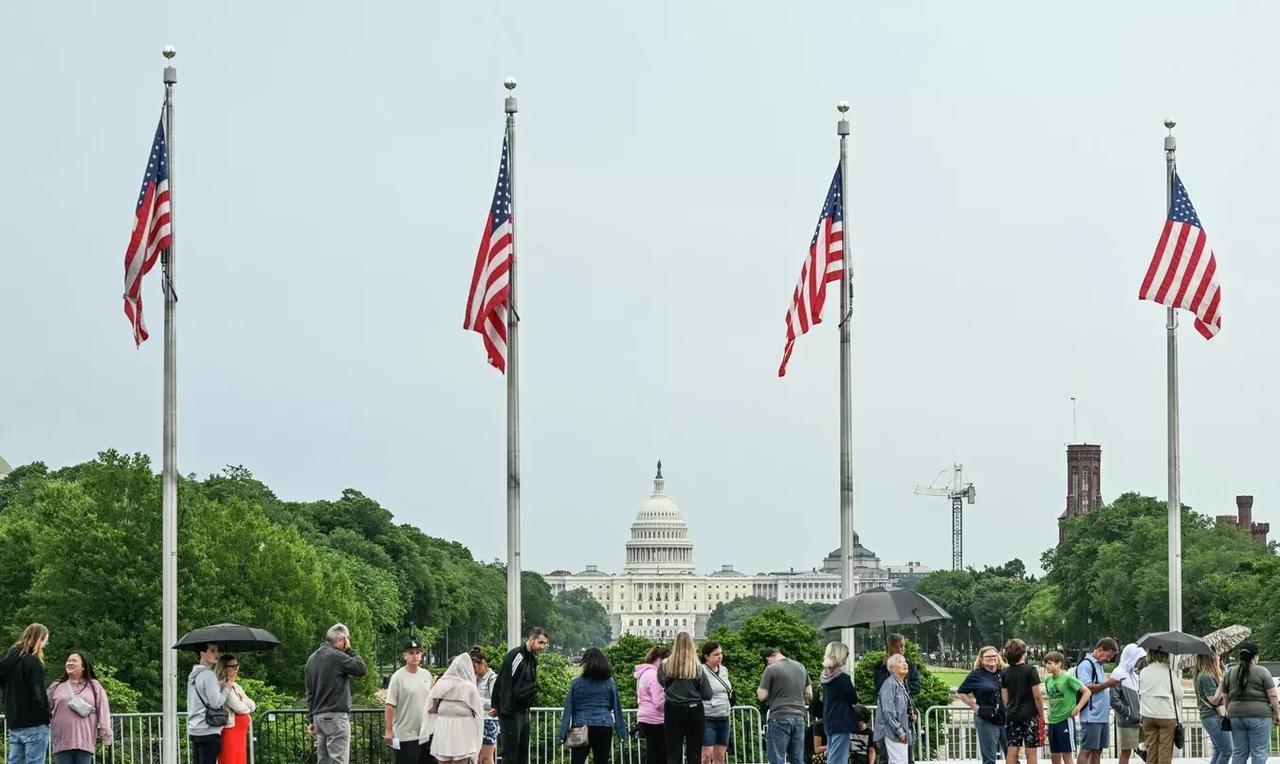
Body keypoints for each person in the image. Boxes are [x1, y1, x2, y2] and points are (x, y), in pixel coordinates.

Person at [304, 623, 369, 764]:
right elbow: (361, 669)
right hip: (336, 716)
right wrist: (350, 650)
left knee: (323, 760)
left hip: (318, 717)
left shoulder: (311, 660)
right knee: (338, 759)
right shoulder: (337, 656)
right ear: (341, 640)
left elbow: (310, 694)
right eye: (347, 640)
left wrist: (311, 720)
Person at [559, 647, 627, 764]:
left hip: (581, 726)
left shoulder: (577, 683)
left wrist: (562, 734)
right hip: (604, 725)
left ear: (585, 663)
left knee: (577, 760)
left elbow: (568, 708)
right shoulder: (609, 682)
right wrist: (621, 733)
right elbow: (616, 707)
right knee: (601, 760)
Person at [1215, 642, 1280, 764]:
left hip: (1236, 716)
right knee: (1259, 751)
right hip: (1260, 715)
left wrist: (1230, 710)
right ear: (1255, 656)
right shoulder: (1262, 671)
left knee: (1239, 752)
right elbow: (1272, 695)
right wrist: (1277, 713)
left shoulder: (1230, 672)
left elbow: (1224, 696)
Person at [493, 627, 548, 764]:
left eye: (545, 644)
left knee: (522, 753)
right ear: (531, 639)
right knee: (511, 755)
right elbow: (504, 680)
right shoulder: (517, 655)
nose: (543, 647)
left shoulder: (532, 659)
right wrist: (500, 706)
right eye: (540, 643)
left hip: (523, 711)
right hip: (511, 712)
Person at [47, 649, 113, 764]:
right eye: (68, 661)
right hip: (61, 743)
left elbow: (103, 711)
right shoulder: (56, 686)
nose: (70, 663)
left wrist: (106, 735)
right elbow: (44, 709)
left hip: (85, 742)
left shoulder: (94, 686)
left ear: (83, 667)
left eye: (74, 661)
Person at [0, 624, 52, 764]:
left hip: (14, 720)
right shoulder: (33, 662)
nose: (45, 644)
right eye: (45, 640)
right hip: (34, 721)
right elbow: (38, 692)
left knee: (15, 760)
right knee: (34, 761)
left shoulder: (10, 661)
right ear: (39, 639)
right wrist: (47, 715)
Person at [421, 653, 484, 764]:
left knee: (453, 760)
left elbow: (430, 705)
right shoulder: (467, 686)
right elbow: (479, 712)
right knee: (453, 760)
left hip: (456, 728)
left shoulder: (444, 684)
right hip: (449, 728)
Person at [660, 632, 713, 764]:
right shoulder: (697, 667)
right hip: (694, 710)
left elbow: (662, 682)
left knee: (673, 752)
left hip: (672, 710)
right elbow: (707, 694)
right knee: (694, 752)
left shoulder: (665, 665)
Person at [757, 648, 812, 764]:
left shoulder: (771, 669)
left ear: (768, 659)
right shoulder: (801, 667)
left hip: (779, 717)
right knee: (797, 758)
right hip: (799, 717)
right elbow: (809, 694)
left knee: (777, 757)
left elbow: (761, 696)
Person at [385, 638, 434, 764]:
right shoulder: (397, 677)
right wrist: (389, 730)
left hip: (425, 733)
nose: (415, 656)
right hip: (405, 734)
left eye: (417, 652)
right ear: (405, 655)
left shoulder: (427, 675)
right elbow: (390, 705)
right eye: (411, 653)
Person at [957, 646, 1006, 764]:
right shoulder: (976, 675)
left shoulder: (1004, 673)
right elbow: (961, 692)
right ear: (982, 659)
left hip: (1006, 718)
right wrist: (975, 707)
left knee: (1012, 755)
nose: (991, 658)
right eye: (988, 656)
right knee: (989, 758)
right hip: (986, 718)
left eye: (994, 656)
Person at [1073, 638, 1118, 764]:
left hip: (1101, 716)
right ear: (1099, 650)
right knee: (1086, 749)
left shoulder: (1099, 666)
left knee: (1098, 750)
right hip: (1091, 716)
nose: (1108, 660)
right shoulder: (1086, 664)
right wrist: (1108, 684)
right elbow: (1086, 688)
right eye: (1108, 656)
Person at [1000, 639, 1045, 764]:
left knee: (1012, 750)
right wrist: (1041, 713)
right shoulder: (1030, 670)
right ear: (1023, 653)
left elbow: (1005, 696)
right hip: (1030, 715)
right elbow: (1037, 695)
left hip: (1012, 715)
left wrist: (1011, 707)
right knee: (1031, 752)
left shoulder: (1005, 672)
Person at [1043, 651, 1089, 764]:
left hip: (1065, 719)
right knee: (1054, 755)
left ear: (1059, 664)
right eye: (1045, 664)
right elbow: (1050, 698)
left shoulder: (1068, 678)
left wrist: (1077, 708)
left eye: (1049, 663)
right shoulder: (1048, 680)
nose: (1047, 666)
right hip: (1053, 721)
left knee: (1067, 754)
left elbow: (1087, 691)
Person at [187, 642, 230, 764]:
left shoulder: (194, 675)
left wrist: (219, 686)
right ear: (202, 654)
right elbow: (216, 703)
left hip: (195, 728)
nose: (217, 654)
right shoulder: (209, 675)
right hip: (208, 730)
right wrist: (226, 689)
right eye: (212, 651)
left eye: (217, 650)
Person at [1137, 649, 1182, 764]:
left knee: (1151, 749)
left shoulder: (1143, 672)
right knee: (1164, 750)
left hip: (1147, 715)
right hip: (1166, 715)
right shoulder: (1170, 673)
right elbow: (1179, 695)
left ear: (1150, 655)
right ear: (1165, 656)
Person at [820, 643, 858, 764]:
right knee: (839, 758)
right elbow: (853, 698)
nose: (847, 657)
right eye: (846, 655)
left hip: (829, 720)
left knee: (833, 754)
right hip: (842, 721)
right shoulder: (842, 678)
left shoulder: (824, 676)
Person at [635, 646, 672, 764]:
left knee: (653, 753)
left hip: (644, 716)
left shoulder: (644, 673)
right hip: (656, 719)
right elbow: (658, 701)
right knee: (660, 755)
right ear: (661, 660)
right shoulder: (655, 675)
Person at [1109, 644, 1145, 764]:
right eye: (1138, 660)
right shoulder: (1118, 673)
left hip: (1137, 719)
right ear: (1132, 658)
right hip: (1127, 720)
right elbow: (1113, 699)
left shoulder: (1134, 675)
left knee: (1144, 746)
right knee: (1126, 752)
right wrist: (1127, 712)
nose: (1139, 663)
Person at [216, 654, 255, 764]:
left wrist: (245, 704)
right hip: (230, 731)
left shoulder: (236, 686)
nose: (235, 669)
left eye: (236, 666)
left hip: (240, 733)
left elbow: (252, 704)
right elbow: (239, 708)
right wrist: (245, 704)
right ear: (224, 668)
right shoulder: (222, 685)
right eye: (232, 666)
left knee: (240, 759)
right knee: (230, 759)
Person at [874, 654, 912, 764]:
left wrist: (910, 716)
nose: (904, 664)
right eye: (900, 662)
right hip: (891, 733)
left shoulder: (900, 684)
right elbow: (888, 711)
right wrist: (899, 731)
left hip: (899, 732)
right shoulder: (889, 685)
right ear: (892, 668)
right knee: (898, 761)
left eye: (905, 661)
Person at [1194, 653, 1231, 764]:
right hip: (1212, 716)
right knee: (1227, 751)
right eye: (1217, 655)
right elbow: (1214, 700)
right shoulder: (1206, 676)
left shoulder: (1205, 675)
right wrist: (1222, 683)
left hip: (1211, 717)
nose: (1219, 657)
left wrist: (1222, 674)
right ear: (1210, 658)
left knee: (1218, 751)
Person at [700, 641, 733, 764]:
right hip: (708, 716)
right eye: (716, 654)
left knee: (720, 756)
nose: (720, 656)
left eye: (721, 653)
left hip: (723, 716)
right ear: (707, 656)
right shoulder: (701, 671)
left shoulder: (724, 670)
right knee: (706, 756)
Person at [872, 635, 922, 700]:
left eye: (901, 646)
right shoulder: (880, 667)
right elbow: (880, 686)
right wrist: (885, 667)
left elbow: (916, 687)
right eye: (895, 646)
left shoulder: (909, 666)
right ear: (888, 648)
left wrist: (897, 688)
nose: (899, 649)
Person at [472, 646, 498, 764]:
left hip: (489, 720)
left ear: (482, 663)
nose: (473, 669)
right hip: (476, 720)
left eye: (474, 666)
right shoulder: (475, 679)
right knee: (477, 758)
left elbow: (495, 701)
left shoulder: (492, 678)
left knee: (486, 758)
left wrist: (477, 701)